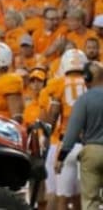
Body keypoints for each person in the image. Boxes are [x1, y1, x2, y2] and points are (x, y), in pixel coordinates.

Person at [40, 48, 88, 210]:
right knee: (83, 197)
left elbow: (53, 114)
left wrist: (46, 135)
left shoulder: (58, 83)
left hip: (66, 142)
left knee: (62, 197)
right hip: (89, 143)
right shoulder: (92, 82)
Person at [57, 61, 103, 210]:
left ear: (87, 78)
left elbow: (72, 133)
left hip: (93, 152)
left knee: (90, 200)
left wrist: (61, 157)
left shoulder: (84, 100)